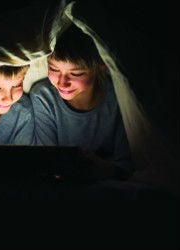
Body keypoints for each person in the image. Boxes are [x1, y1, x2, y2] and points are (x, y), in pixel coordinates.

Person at [30, 24, 133, 182]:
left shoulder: (119, 99)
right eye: (54, 69)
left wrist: (99, 167)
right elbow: (47, 161)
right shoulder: (44, 97)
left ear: (100, 68)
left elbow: (126, 167)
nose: (62, 82)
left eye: (76, 73)